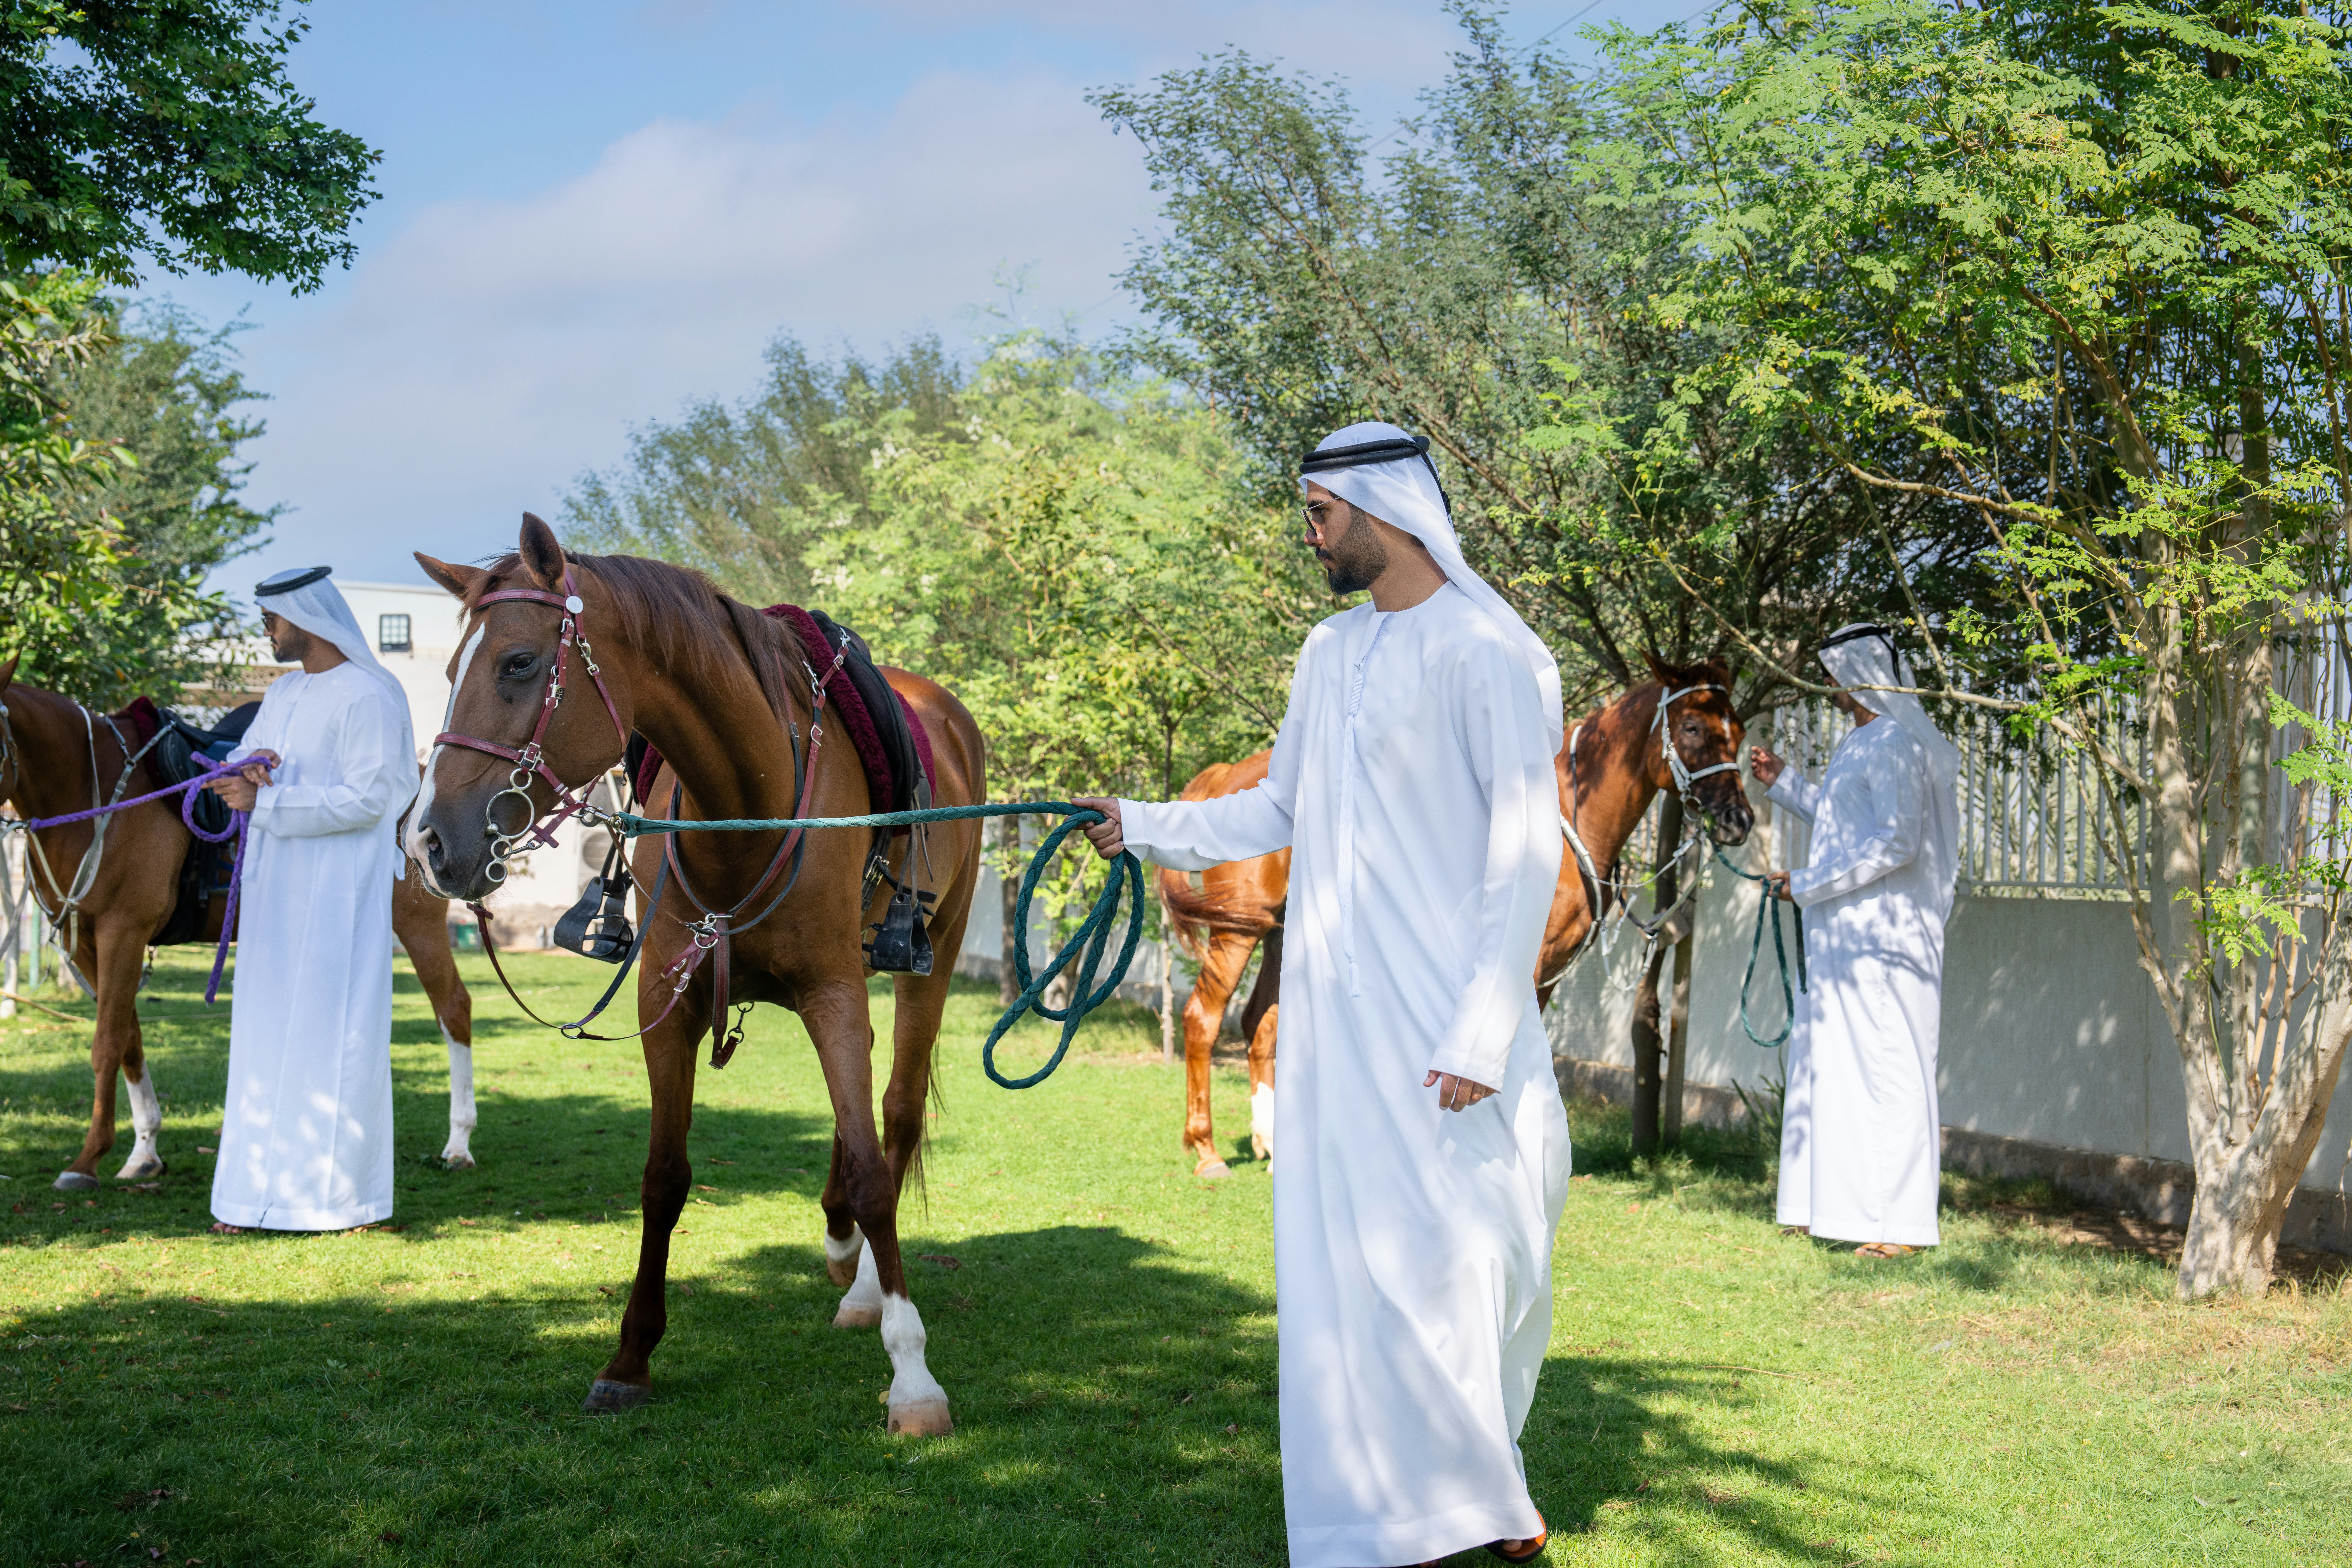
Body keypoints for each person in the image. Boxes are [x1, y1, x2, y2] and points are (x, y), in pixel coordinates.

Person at [1077, 422, 1567, 1568]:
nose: (1309, 535)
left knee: (1473, 1252)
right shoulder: (1326, 652)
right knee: (1350, 1266)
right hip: (1336, 1024)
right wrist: (1140, 823)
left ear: (1380, 506)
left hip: (1448, 1018)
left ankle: (1478, 1480)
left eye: (1318, 513)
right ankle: (1398, 1513)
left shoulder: (1487, 650)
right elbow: (1273, 807)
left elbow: (1522, 851)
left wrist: (1483, 1027)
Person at [205, 566, 418, 1233]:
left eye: (271, 616)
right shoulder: (286, 690)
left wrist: (269, 802)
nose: (265, 628)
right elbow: (246, 756)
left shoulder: (371, 694)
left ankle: (344, 1202)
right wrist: (246, 766)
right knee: (263, 1040)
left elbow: (377, 799)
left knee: (338, 1040)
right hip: (274, 897)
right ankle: (248, 1199)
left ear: (305, 614)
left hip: (337, 900)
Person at [1747, 623, 1960, 1258]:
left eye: (1834, 674)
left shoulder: (1895, 741)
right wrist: (1785, 783)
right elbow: (1847, 825)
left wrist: (1807, 883)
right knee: (1837, 1068)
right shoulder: (1861, 741)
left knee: (1891, 1070)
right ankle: (1829, 1208)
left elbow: (1897, 842)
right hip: (1846, 937)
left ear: (1857, 672)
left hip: (1889, 939)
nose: (1829, 686)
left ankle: (1899, 1229)